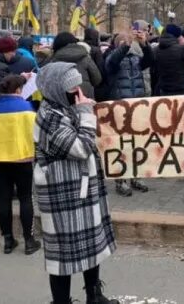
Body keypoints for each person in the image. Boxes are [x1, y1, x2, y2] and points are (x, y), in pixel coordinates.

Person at [34, 62, 119, 304]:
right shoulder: (49, 117)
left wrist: (88, 114)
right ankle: (61, 301)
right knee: (63, 255)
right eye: (72, 89)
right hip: (63, 194)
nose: (78, 93)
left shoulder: (65, 108)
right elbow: (80, 147)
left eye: (78, 87)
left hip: (80, 189)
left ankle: (94, 295)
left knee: (90, 245)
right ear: (56, 89)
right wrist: (85, 115)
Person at [0, 75, 41, 256]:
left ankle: (8, 239)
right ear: (18, 90)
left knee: (4, 197)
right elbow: (35, 135)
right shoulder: (27, 108)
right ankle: (29, 241)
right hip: (22, 158)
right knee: (25, 197)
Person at [104, 30, 153, 196]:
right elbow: (113, 62)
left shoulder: (135, 59)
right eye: (125, 42)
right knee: (121, 145)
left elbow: (150, 60)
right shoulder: (111, 57)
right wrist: (125, 45)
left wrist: (145, 44)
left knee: (137, 144)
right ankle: (121, 180)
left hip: (137, 106)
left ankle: (136, 177)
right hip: (119, 107)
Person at [152, 23, 184, 96]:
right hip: (181, 90)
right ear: (178, 36)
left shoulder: (155, 50)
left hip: (163, 90)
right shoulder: (182, 49)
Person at [50, 32, 102, 99]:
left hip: (62, 99)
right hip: (84, 98)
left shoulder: (53, 60)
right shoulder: (85, 57)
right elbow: (97, 79)